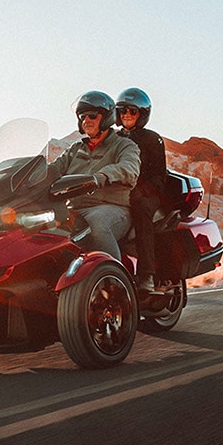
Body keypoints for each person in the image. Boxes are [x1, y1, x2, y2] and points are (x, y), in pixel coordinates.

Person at [47, 90, 141, 262]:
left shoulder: (124, 145)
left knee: (98, 225)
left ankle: (114, 278)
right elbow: (54, 169)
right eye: (82, 116)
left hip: (110, 208)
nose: (86, 121)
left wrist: (102, 176)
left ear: (106, 118)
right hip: (73, 208)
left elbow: (130, 168)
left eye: (92, 116)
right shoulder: (76, 149)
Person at [115, 87, 167, 293]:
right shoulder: (113, 138)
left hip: (147, 194)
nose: (126, 114)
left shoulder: (152, 139)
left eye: (132, 111)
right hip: (119, 190)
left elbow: (159, 177)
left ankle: (146, 275)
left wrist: (141, 191)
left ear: (142, 114)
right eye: (122, 111)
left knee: (141, 210)